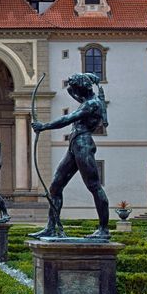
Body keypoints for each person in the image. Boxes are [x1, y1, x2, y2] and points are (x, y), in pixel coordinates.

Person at [29, 72, 110, 239]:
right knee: (55, 187)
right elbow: (71, 93)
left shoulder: (91, 104)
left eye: (76, 89)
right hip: (75, 144)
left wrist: (44, 126)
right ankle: (51, 227)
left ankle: (103, 228)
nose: (75, 93)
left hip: (83, 145)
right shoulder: (87, 100)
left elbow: (67, 118)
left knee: (94, 187)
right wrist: (85, 78)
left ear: (82, 89)